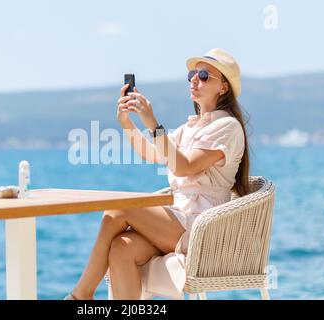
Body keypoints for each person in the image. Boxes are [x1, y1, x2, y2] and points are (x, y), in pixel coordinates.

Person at [64, 48, 250, 300]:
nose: (195, 79)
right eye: (192, 74)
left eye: (204, 75)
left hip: (202, 228)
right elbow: (151, 153)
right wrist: (127, 123)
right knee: (121, 248)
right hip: (178, 219)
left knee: (118, 210)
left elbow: (184, 166)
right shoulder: (190, 128)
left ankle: (81, 296)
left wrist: (152, 123)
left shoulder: (227, 127)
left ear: (224, 88)